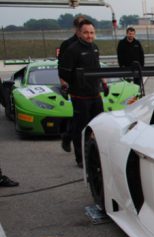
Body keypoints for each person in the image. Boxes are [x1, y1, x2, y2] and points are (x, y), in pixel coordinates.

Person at [58, 19, 108, 168]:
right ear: (79, 33)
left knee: (99, 125)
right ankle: (80, 158)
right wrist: (67, 86)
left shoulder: (95, 48)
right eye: (86, 32)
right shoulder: (72, 49)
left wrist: (104, 83)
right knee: (80, 128)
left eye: (92, 32)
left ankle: (96, 154)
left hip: (95, 94)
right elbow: (63, 72)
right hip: (80, 96)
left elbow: (97, 68)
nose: (89, 35)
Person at [58, 15, 85, 153]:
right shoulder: (67, 44)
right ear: (76, 28)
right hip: (74, 87)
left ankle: (68, 136)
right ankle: (79, 154)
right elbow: (61, 67)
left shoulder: (90, 44)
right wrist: (63, 83)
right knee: (79, 118)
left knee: (84, 118)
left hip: (89, 86)